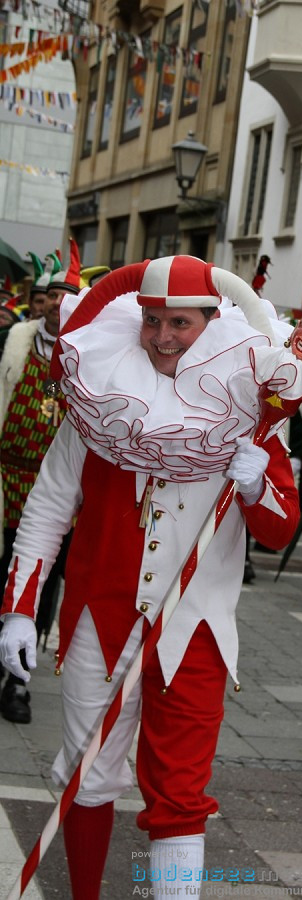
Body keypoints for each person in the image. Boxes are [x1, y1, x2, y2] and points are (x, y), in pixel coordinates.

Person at [0, 254, 302, 900]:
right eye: (153, 320)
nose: (161, 336)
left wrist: (254, 483)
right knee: (87, 774)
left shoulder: (250, 411)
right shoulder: (97, 404)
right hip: (99, 622)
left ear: (211, 323)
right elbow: (45, 509)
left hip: (196, 630)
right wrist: (19, 606)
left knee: (181, 792)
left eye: (179, 322)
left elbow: (278, 527)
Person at [0, 241, 81, 723]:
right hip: (6, 479)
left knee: (42, 581)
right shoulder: (15, 342)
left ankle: (19, 681)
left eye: (65, 296)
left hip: (57, 493)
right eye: (49, 295)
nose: (55, 303)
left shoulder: (84, 353)